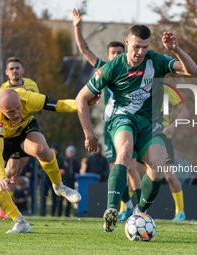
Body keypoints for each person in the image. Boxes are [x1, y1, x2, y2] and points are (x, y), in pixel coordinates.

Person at [76, 24, 197, 232]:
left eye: (144, 47)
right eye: (136, 46)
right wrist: (89, 133)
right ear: (127, 42)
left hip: (151, 123)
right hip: (123, 119)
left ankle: (138, 212)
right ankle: (112, 211)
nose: (140, 52)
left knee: (158, 169)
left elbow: (192, 71)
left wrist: (176, 49)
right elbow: (81, 98)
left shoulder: (156, 60)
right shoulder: (112, 67)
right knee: (124, 152)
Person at [0, 88, 99, 233]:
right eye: (11, 111)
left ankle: (59, 186)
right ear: (0, 109)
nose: (17, 113)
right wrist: (0, 176)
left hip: (24, 130)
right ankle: (20, 221)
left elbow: (59, 105)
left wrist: (81, 104)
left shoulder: (27, 98)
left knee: (41, 150)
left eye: (19, 108)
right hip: (3, 138)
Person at [73, 8, 141, 221]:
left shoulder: (133, 68)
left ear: (125, 51)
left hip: (129, 121)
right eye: (112, 53)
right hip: (110, 123)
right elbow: (84, 50)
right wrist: (77, 27)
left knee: (129, 166)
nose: (116, 56)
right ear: (109, 55)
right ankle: (127, 206)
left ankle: (139, 209)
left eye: (119, 52)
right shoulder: (105, 68)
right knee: (115, 168)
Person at [0, 57, 40, 220]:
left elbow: (34, 104)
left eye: (17, 68)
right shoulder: (4, 88)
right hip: (10, 134)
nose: (15, 71)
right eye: (11, 68)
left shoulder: (31, 84)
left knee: (16, 171)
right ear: (7, 72)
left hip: (25, 129)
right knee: (12, 169)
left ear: (22, 70)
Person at [162, 89, 189, 221]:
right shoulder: (138, 83)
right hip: (143, 138)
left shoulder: (167, 91)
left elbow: (185, 111)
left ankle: (180, 211)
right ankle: (125, 208)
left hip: (164, 139)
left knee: (170, 177)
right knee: (132, 172)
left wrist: (172, 126)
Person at [40, 144, 64, 217]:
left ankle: (53, 212)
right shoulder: (45, 156)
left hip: (54, 180)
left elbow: (62, 169)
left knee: (55, 197)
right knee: (43, 196)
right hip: (45, 179)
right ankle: (42, 212)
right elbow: (40, 167)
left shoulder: (60, 158)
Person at [58, 145, 80, 217]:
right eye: (69, 152)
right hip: (63, 182)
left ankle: (67, 215)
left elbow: (78, 172)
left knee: (69, 200)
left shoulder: (75, 162)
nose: (70, 154)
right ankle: (59, 214)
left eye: (71, 152)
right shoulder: (62, 161)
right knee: (60, 199)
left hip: (71, 182)